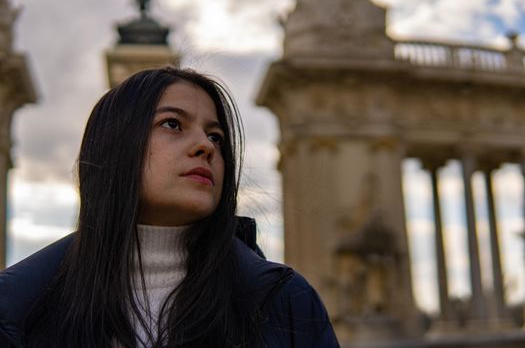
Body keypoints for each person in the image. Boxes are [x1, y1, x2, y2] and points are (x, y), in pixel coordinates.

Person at [0, 67, 340, 347]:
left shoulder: (287, 302)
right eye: (173, 124)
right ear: (115, 145)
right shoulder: (16, 307)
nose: (205, 146)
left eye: (216, 136)